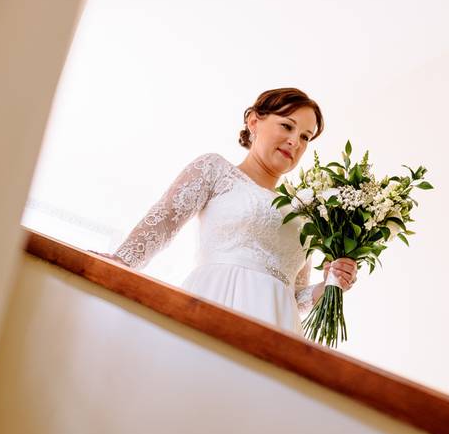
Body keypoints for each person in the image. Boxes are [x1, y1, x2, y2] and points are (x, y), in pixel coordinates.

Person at [104, 88, 358, 335]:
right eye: (287, 126)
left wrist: (329, 285)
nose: (295, 142)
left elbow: (295, 295)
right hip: (212, 303)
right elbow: (165, 220)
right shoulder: (215, 169)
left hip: (277, 330)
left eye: (305, 136)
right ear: (254, 122)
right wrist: (119, 263)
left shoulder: (303, 213)